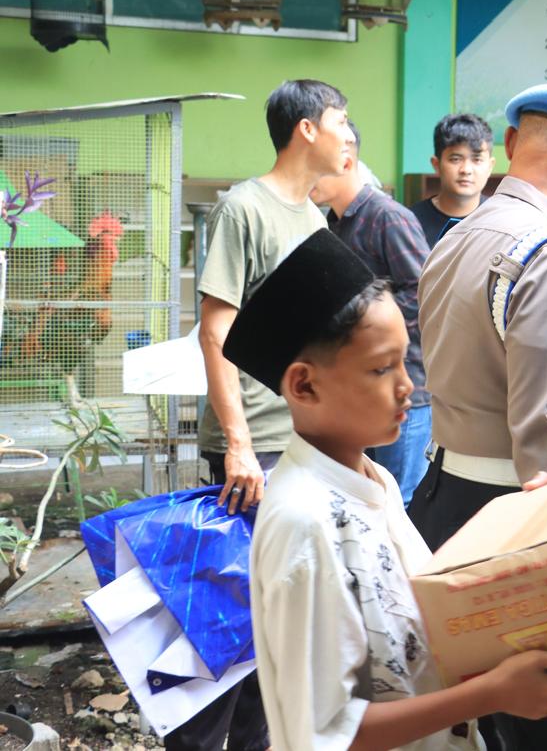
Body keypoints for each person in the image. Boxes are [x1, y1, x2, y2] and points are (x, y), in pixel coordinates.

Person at [222, 229, 547, 751]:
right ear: (304, 385)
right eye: (380, 367)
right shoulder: (304, 522)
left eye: (405, 359)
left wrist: (525, 540)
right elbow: (327, 735)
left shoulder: (375, 480)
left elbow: (422, 625)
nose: (406, 384)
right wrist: (488, 695)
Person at [407, 83, 547, 751]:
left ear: (514, 144)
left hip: (442, 501)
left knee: (478, 720)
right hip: (521, 517)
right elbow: (545, 432)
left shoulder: (455, 238)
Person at [186, 79, 352, 751]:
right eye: (341, 120)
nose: (348, 133)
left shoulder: (313, 220)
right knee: (224, 626)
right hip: (251, 453)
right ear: (306, 129)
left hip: (300, 449)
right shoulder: (243, 209)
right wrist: (238, 443)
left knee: (275, 630)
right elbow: (214, 332)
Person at [311, 121, 433, 505]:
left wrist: (377, 343)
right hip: (361, 389)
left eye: (311, 166)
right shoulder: (333, 223)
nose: (304, 177)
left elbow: (424, 292)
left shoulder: (387, 216)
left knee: (401, 502)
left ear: (345, 161)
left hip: (407, 389)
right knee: (366, 497)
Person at [411, 114, 496, 245]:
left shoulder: (501, 218)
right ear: (436, 164)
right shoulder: (411, 222)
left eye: (477, 159)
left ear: (490, 166)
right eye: (455, 159)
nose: (466, 170)